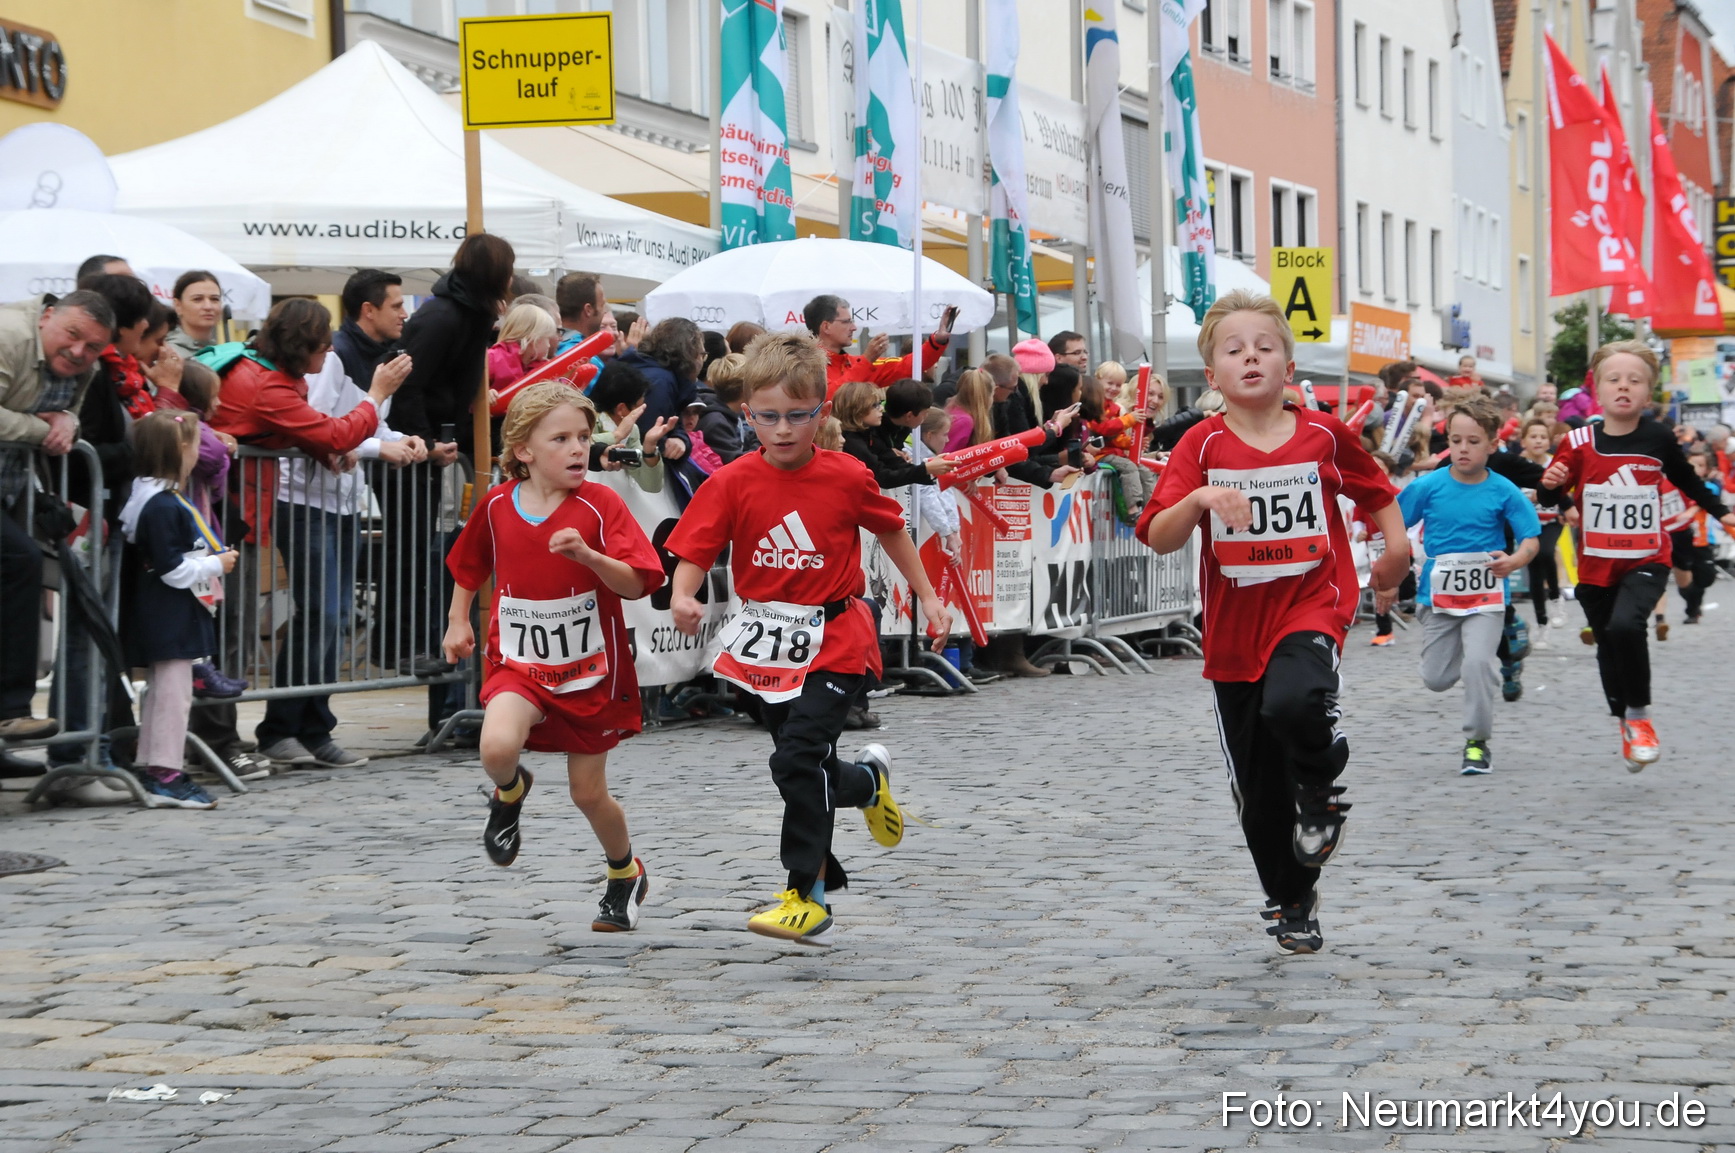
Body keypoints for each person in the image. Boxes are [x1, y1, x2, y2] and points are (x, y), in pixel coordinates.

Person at [1137, 290, 1409, 955]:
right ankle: (1291, 897)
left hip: (1311, 598)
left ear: (1288, 363)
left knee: (1296, 699)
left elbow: (1375, 491)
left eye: (1264, 345)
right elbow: (1158, 536)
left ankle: (1319, 783)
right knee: (1257, 795)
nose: (1250, 356)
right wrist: (1201, 496)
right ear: (1212, 376)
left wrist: (1395, 554)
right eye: (1233, 349)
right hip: (1233, 629)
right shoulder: (1200, 445)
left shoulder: (1322, 433)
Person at [666, 332, 953, 946]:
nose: (783, 430)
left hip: (838, 634)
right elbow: (696, 545)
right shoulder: (734, 481)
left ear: (821, 411)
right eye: (767, 417)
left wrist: (928, 596)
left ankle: (806, 893)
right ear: (748, 414)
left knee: (795, 758)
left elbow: (895, 531)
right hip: (764, 642)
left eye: (798, 416)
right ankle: (867, 784)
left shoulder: (846, 475)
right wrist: (683, 594)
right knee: (812, 765)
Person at [442, 383, 666, 931]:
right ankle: (511, 790)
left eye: (583, 438)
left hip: (589, 672)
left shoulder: (601, 502)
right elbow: (470, 566)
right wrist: (455, 621)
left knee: (588, 794)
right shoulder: (496, 505)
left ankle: (624, 873)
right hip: (518, 663)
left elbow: (638, 583)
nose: (576, 449)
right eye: (560, 438)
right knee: (495, 746)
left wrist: (590, 556)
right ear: (523, 449)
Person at [199, 299, 406, 775]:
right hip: (233, 508)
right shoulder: (265, 381)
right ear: (300, 347)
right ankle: (249, 736)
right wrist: (374, 396)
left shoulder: (275, 376)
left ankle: (306, 727)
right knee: (246, 630)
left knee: (314, 619)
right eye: (320, 345)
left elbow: (306, 431)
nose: (327, 352)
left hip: (249, 507)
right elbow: (331, 430)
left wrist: (321, 445)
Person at [1539, 340, 1735, 771]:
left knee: (1628, 626)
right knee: (1608, 642)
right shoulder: (1577, 440)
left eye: (1635, 381)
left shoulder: (1659, 437)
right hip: (1595, 562)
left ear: (1649, 394)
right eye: (1614, 379)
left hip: (1647, 556)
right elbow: (1549, 492)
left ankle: (1641, 718)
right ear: (1598, 390)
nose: (1624, 387)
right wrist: (1552, 483)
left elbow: (1688, 481)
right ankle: (1625, 722)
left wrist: (1724, 512)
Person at [253, 289, 421, 770]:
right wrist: (374, 441)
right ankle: (282, 727)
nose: (404, 313)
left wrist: (403, 442)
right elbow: (330, 431)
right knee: (323, 613)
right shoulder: (334, 359)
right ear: (368, 309)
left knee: (337, 614)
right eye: (395, 304)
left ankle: (313, 726)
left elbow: (361, 427)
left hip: (342, 500)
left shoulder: (369, 358)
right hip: (306, 500)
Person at [1398, 397, 1540, 775]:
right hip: (1438, 597)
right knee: (1436, 678)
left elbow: (1530, 538)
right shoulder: (1428, 486)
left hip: (1486, 596)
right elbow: (1394, 524)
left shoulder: (1504, 490)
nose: (1463, 448)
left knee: (1478, 664)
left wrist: (1515, 560)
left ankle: (1476, 743)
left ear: (1493, 445)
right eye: (1456, 440)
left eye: (1473, 441)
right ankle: (1490, 651)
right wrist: (1388, 576)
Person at [0, 289, 115, 743]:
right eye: (72, 335)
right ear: (48, 316)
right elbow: (42, 425)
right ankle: (10, 709)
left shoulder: (88, 366)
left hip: (10, 490)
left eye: (92, 347)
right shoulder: (9, 336)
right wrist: (42, 428)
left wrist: (68, 418)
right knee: (21, 560)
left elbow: (68, 417)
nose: (79, 352)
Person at [117, 411, 235, 809]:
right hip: (168, 611)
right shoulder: (163, 505)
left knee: (164, 692)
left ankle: (153, 764)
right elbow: (172, 568)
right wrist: (216, 564)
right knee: (172, 694)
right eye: (195, 445)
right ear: (179, 450)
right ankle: (165, 771)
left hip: (164, 611)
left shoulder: (148, 496)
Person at [804, 293, 954, 396]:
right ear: (826, 327)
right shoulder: (803, 365)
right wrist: (867, 360)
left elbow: (907, 366)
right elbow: (831, 396)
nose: (854, 327)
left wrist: (937, 340)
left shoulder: (855, 363)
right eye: (847, 321)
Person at [833, 380, 952, 489]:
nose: (881, 409)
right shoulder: (851, 440)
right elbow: (882, 476)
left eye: (879, 403)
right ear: (857, 410)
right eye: (875, 405)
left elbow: (891, 459)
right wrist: (926, 469)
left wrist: (928, 468)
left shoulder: (868, 432)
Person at [587, 360, 678, 494]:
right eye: (639, 406)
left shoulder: (632, 430)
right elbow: (576, 446)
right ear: (621, 409)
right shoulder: (585, 419)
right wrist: (616, 436)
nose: (642, 411)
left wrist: (650, 447)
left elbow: (651, 486)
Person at [1516, 417, 1565, 630]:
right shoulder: (1515, 464)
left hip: (1552, 519)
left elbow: (1567, 490)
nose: (1538, 441)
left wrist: (1564, 508)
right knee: (1534, 570)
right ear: (1523, 441)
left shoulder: (1555, 463)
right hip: (1528, 523)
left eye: (1543, 437)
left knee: (1546, 552)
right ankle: (1541, 623)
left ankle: (1556, 596)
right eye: (1533, 436)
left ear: (1549, 441)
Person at [618, 317, 704, 435]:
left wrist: (681, 440)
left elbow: (673, 426)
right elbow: (649, 435)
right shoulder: (660, 382)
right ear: (690, 354)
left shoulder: (663, 377)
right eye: (701, 354)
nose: (702, 361)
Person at [331, 269, 408, 389]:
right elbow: (318, 407)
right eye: (396, 307)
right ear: (369, 310)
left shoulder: (386, 352)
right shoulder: (334, 355)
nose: (404, 314)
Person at [1669, 450, 1720, 625]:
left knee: (1706, 576)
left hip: (1702, 539)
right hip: (1681, 538)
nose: (1695, 468)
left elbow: (1704, 500)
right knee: (1683, 577)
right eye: (1692, 465)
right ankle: (1693, 610)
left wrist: (1691, 510)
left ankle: (1693, 603)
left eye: (1700, 465)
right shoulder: (1677, 486)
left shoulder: (1709, 487)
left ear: (1706, 470)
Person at [486, 302, 558, 405]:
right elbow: (469, 385)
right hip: (493, 417)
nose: (548, 345)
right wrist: (485, 393)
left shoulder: (541, 366)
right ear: (534, 339)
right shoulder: (493, 358)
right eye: (547, 339)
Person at [691, 351, 754, 465]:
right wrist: (761, 443)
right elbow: (738, 464)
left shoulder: (729, 413)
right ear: (744, 389)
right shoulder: (716, 423)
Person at [166, 271, 224, 357]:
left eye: (214, 299)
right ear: (178, 305)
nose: (208, 307)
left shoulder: (222, 352)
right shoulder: (167, 353)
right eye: (197, 299)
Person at [942, 367, 995, 452]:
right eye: (993, 394)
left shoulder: (953, 411)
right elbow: (946, 458)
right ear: (986, 397)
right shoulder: (964, 422)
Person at [554, 272, 607, 356]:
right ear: (588, 310)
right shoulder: (582, 357)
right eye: (602, 305)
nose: (604, 312)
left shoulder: (546, 347)